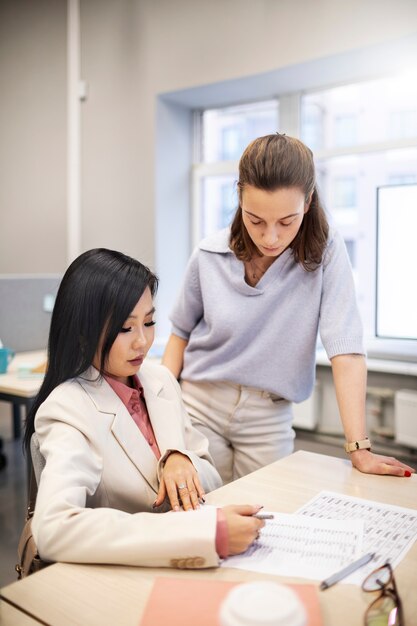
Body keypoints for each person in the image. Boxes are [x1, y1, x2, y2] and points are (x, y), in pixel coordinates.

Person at [162, 133, 415, 484]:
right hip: (199, 403)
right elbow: (180, 335)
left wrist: (359, 447)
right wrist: (159, 416)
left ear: (308, 201)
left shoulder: (326, 251)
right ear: (239, 197)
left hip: (270, 413)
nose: (270, 238)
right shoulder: (209, 254)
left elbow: (346, 347)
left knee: (268, 516)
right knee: (200, 516)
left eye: (286, 222)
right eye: (255, 220)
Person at [24, 248, 264, 568]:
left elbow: (211, 478)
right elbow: (54, 529)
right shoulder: (67, 409)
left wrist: (178, 457)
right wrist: (205, 534)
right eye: (126, 328)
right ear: (83, 333)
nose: (142, 342)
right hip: (120, 575)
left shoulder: (160, 380)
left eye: (149, 322)